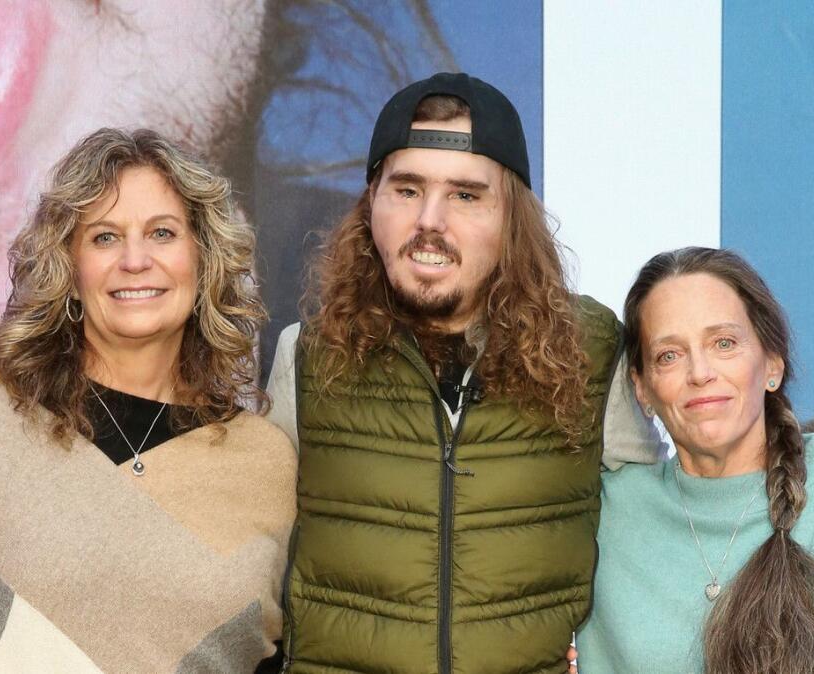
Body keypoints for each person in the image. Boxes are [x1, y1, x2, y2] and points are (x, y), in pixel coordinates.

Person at [265, 72, 662, 673]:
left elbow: (649, 540)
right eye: (406, 189)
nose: (430, 220)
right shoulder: (307, 355)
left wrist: (608, 646)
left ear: (512, 218)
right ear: (371, 203)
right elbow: (254, 571)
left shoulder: (588, 347)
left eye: (466, 195)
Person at [0, 128, 296, 672]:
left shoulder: (265, 461)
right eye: (104, 238)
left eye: (162, 233)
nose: (135, 260)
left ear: (204, 259)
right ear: (69, 272)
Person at [574, 247, 814, 673]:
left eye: (724, 343)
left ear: (772, 365)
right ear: (643, 388)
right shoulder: (604, 509)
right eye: (669, 355)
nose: (700, 372)